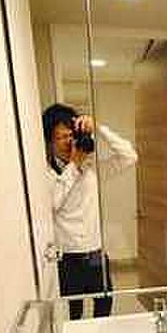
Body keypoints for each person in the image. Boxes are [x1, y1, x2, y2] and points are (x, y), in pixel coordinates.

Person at [43, 103, 137, 320]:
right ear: (50, 141)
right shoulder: (47, 173)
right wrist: (74, 165)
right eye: (62, 137)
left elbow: (129, 156)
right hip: (67, 260)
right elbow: (53, 203)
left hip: (96, 254)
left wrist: (99, 128)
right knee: (72, 314)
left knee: (105, 305)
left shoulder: (91, 169)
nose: (69, 142)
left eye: (71, 135)